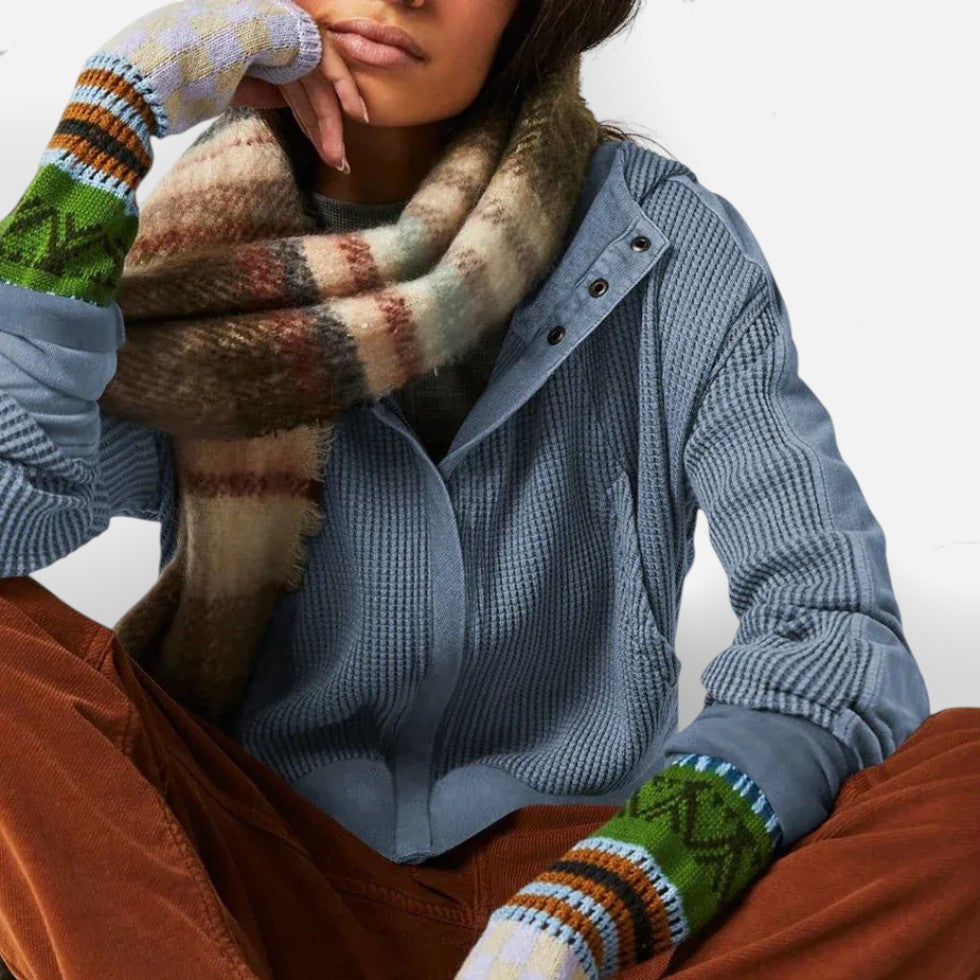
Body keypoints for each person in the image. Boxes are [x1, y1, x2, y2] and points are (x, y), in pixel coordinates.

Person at [0, 0, 977, 977]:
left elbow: (831, 627)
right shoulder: (192, 255)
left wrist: (608, 896)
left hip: (579, 885)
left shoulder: (663, 245)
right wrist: (106, 128)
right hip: (244, 874)